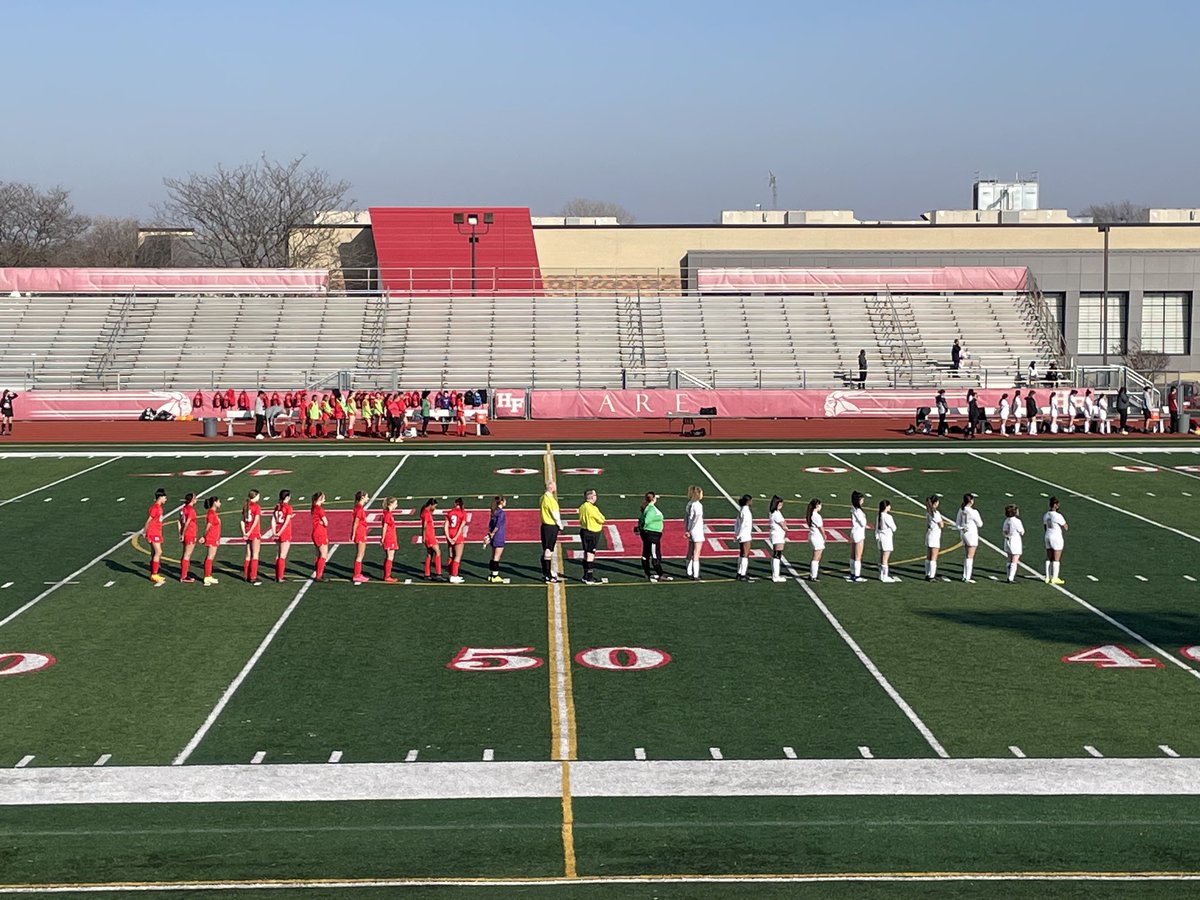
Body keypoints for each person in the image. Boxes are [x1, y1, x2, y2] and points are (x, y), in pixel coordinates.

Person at [636, 492, 668, 582]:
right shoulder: (651, 509)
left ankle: (647, 572)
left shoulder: (647, 508)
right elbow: (646, 520)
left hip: (649, 534)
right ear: (653, 499)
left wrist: (641, 528)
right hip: (652, 535)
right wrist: (643, 528)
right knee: (654, 554)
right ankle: (660, 573)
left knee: (646, 552)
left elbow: (641, 519)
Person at [578, 488, 605, 584]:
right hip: (592, 532)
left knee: (586, 553)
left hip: (584, 531)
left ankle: (585, 575)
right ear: (592, 497)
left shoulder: (582, 507)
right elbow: (602, 519)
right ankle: (589, 577)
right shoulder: (592, 508)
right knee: (590, 554)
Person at [539, 480, 564, 583]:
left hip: (545, 525)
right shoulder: (550, 500)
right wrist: (560, 525)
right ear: (551, 487)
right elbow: (555, 514)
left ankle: (546, 572)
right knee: (549, 550)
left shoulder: (542, 498)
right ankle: (548, 575)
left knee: (547, 549)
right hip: (550, 526)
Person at [955, 493, 982, 584]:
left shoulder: (961, 510)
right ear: (970, 501)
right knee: (970, 556)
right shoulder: (973, 511)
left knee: (967, 555)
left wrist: (962, 528)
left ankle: (965, 575)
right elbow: (980, 524)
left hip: (964, 533)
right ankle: (967, 577)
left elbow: (957, 523)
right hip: (971, 534)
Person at [145, 488, 168, 585]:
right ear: (160, 497)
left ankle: (154, 573)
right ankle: (154, 574)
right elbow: (148, 520)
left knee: (154, 552)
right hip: (153, 533)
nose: (166, 499)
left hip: (157, 532)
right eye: (164, 497)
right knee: (159, 552)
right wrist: (146, 532)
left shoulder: (159, 507)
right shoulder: (156, 508)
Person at [1043, 496, 1068, 585]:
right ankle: (1054, 577)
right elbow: (1065, 527)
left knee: (1049, 557)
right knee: (1056, 559)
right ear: (1055, 505)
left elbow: (1045, 527)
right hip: (1056, 537)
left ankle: (1047, 577)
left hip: (1047, 535)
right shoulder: (1058, 515)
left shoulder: (1046, 515)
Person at [272, 489, 295, 583]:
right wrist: (281, 532)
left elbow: (273, 519)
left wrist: (274, 531)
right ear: (286, 497)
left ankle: (278, 575)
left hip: (277, 530)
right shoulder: (288, 507)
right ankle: (280, 577)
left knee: (278, 554)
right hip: (284, 532)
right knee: (282, 555)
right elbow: (286, 522)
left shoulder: (277, 506)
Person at [483, 496, 507, 583]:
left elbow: (491, 524)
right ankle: (495, 575)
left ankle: (491, 574)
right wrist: (493, 533)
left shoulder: (494, 512)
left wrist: (489, 534)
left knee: (493, 556)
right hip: (499, 536)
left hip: (493, 536)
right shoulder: (501, 513)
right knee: (497, 557)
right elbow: (497, 525)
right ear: (501, 502)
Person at [444, 497, 468, 583]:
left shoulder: (449, 513)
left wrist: (448, 537)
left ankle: (451, 574)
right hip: (457, 535)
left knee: (451, 555)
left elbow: (445, 526)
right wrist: (455, 537)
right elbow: (461, 527)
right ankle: (454, 576)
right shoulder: (463, 513)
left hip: (450, 533)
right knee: (457, 556)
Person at [242, 489, 263, 585]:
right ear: (255, 496)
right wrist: (250, 532)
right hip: (254, 532)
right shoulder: (256, 507)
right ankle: (253, 576)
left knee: (248, 555)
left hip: (247, 532)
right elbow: (256, 521)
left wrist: (245, 532)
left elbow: (242, 521)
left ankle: (246, 575)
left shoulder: (246, 506)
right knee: (255, 554)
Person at [684, 486, 705, 581]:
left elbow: (686, 518)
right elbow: (696, 519)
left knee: (690, 551)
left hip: (690, 530)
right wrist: (691, 529)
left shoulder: (689, 503)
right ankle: (695, 574)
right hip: (697, 530)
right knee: (696, 553)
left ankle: (689, 572)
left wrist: (687, 529)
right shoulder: (698, 505)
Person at [766, 495, 788, 583]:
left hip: (776, 534)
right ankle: (776, 575)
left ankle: (775, 574)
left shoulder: (773, 512)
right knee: (777, 554)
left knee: (776, 554)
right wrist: (786, 527)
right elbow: (783, 524)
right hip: (778, 535)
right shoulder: (776, 513)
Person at [847, 490, 868, 583]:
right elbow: (863, 523)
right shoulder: (858, 511)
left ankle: (852, 573)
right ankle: (857, 575)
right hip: (859, 533)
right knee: (858, 556)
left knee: (853, 555)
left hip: (854, 532)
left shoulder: (853, 509)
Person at [178, 492, 199, 583]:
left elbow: (179, 521)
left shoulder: (183, 509)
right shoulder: (191, 510)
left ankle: (184, 574)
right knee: (187, 555)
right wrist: (182, 533)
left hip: (186, 534)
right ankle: (184, 576)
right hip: (190, 534)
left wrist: (180, 533)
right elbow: (187, 523)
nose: (196, 499)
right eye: (195, 497)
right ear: (192, 499)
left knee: (185, 554)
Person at [201, 497, 222, 586]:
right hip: (211, 537)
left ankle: (208, 575)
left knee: (211, 556)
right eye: (219, 501)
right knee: (210, 556)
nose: (220, 503)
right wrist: (204, 536)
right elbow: (208, 526)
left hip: (214, 537)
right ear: (214, 502)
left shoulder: (213, 513)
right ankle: (207, 576)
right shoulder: (211, 513)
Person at [876, 499, 898, 583]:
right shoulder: (888, 517)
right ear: (886, 507)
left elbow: (877, 529)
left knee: (881, 557)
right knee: (885, 558)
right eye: (889, 505)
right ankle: (885, 576)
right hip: (886, 539)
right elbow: (894, 528)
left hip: (880, 538)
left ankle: (881, 575)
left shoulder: (879, 516)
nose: (890, 507)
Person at [420, 499, 443, 581]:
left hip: (429, 535)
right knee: (438, 552)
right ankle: (438, 574)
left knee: (430, 554)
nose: (435, 508)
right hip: (429, 536)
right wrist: (424, 536)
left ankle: (427, 574)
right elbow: (425, 526)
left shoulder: (426, 512)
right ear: (430, 505)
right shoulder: (426, 513)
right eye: (434, 506)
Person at [734, 494, 755, 582]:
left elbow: (737, 523)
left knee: (742, 553)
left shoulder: (742, 510)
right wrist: (739, 535)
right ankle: (742, 574)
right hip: (745, 535)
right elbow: (743, 525)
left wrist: (737, 533)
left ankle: (739, 572)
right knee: (745, 555)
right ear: (748, 501)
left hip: (742, 534)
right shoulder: (746, 512)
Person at [351, 490, 370, 584]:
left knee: (361, 554)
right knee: (360, 554)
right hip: (360, 533)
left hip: (361, 532)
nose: (368, 498)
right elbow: (356, 522)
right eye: (367, 496)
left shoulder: (359, 508)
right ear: (362, 497)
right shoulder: (359, 509)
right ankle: (357, 575)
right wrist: (353, 534)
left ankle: (358, 574)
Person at [1002, 504, 1024, 584]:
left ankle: (1008, 576)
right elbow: (1022, 532)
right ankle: (1011, 578)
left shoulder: (1007, 520)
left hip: (1008, 540)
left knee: (1009, 559)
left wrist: (1007, 536)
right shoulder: (1017, 521)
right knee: (1014, 560)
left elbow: (1004, 532)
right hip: (1015, 541)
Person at [311, 492, 331, 581]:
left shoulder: (314, 508)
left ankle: (318, 573)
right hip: (320, 532)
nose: (325, 499)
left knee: (318, 554)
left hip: (315, 532)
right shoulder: (319, 509)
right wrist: (322, 523)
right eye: (323, 497)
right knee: (323, 554)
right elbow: (326, 522)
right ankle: (319, 575)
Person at [924, 494, 944, 582]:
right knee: (933, 557)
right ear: (935, 503)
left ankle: (927, 574)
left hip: (929, 533)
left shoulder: (928, 512)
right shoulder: (936, 513)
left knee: (928, 556)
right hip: (935, 535)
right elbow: (941, 525)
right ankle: (932, 576)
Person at [381, 497, 400, 583]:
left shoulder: (388, 513)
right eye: (395, 503)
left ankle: (387, 575)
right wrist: (383, 537)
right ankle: (387, 576)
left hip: (391, 536)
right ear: (390, 504)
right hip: (389, 537)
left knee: (389, 556)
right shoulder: (388, 514)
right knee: (390, 556)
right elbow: (385, 526)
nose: (397, 505)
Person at [805, 498, 824, 582]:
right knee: (816, 557)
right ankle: (813, 575)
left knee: (817, 556)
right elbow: (821, 527)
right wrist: (824, 535)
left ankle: (813, 574)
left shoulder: (811, 514)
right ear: (817, 505)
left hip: (813, 536)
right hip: (817, 537)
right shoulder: (816, 516)